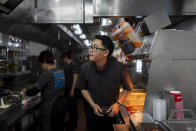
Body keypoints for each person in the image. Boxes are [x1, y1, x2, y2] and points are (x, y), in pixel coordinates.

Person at [77, 35, 134, 131]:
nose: (90, 50)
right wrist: (93, 104)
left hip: (111, 111)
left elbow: (128, 88)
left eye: (95, 47)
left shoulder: (118, 68)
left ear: (106, 52)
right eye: (91, 47)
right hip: (92, 112)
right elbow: (83, 88)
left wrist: (118, 104)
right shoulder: (85, 68)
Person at [24, 50, 67, 131]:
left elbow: (34, 91)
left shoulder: (47, 74)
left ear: (44, 62)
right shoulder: (60, 71)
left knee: (48, 125)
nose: (41, 66)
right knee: (58, 126)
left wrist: (25, 92)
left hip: (50, 105)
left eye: (41, 64)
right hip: (61, 102)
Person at [62, 51, 78, 131]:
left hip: (72, 89)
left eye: (63, 59)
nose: (63, 60)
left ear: (66, 57)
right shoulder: (67, 65)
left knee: (73, 107)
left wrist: (72, 90)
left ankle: (73, 124)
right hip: (68, 89)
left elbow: (75, 77)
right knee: (70, 107)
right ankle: (70, 121)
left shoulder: (72, 65)